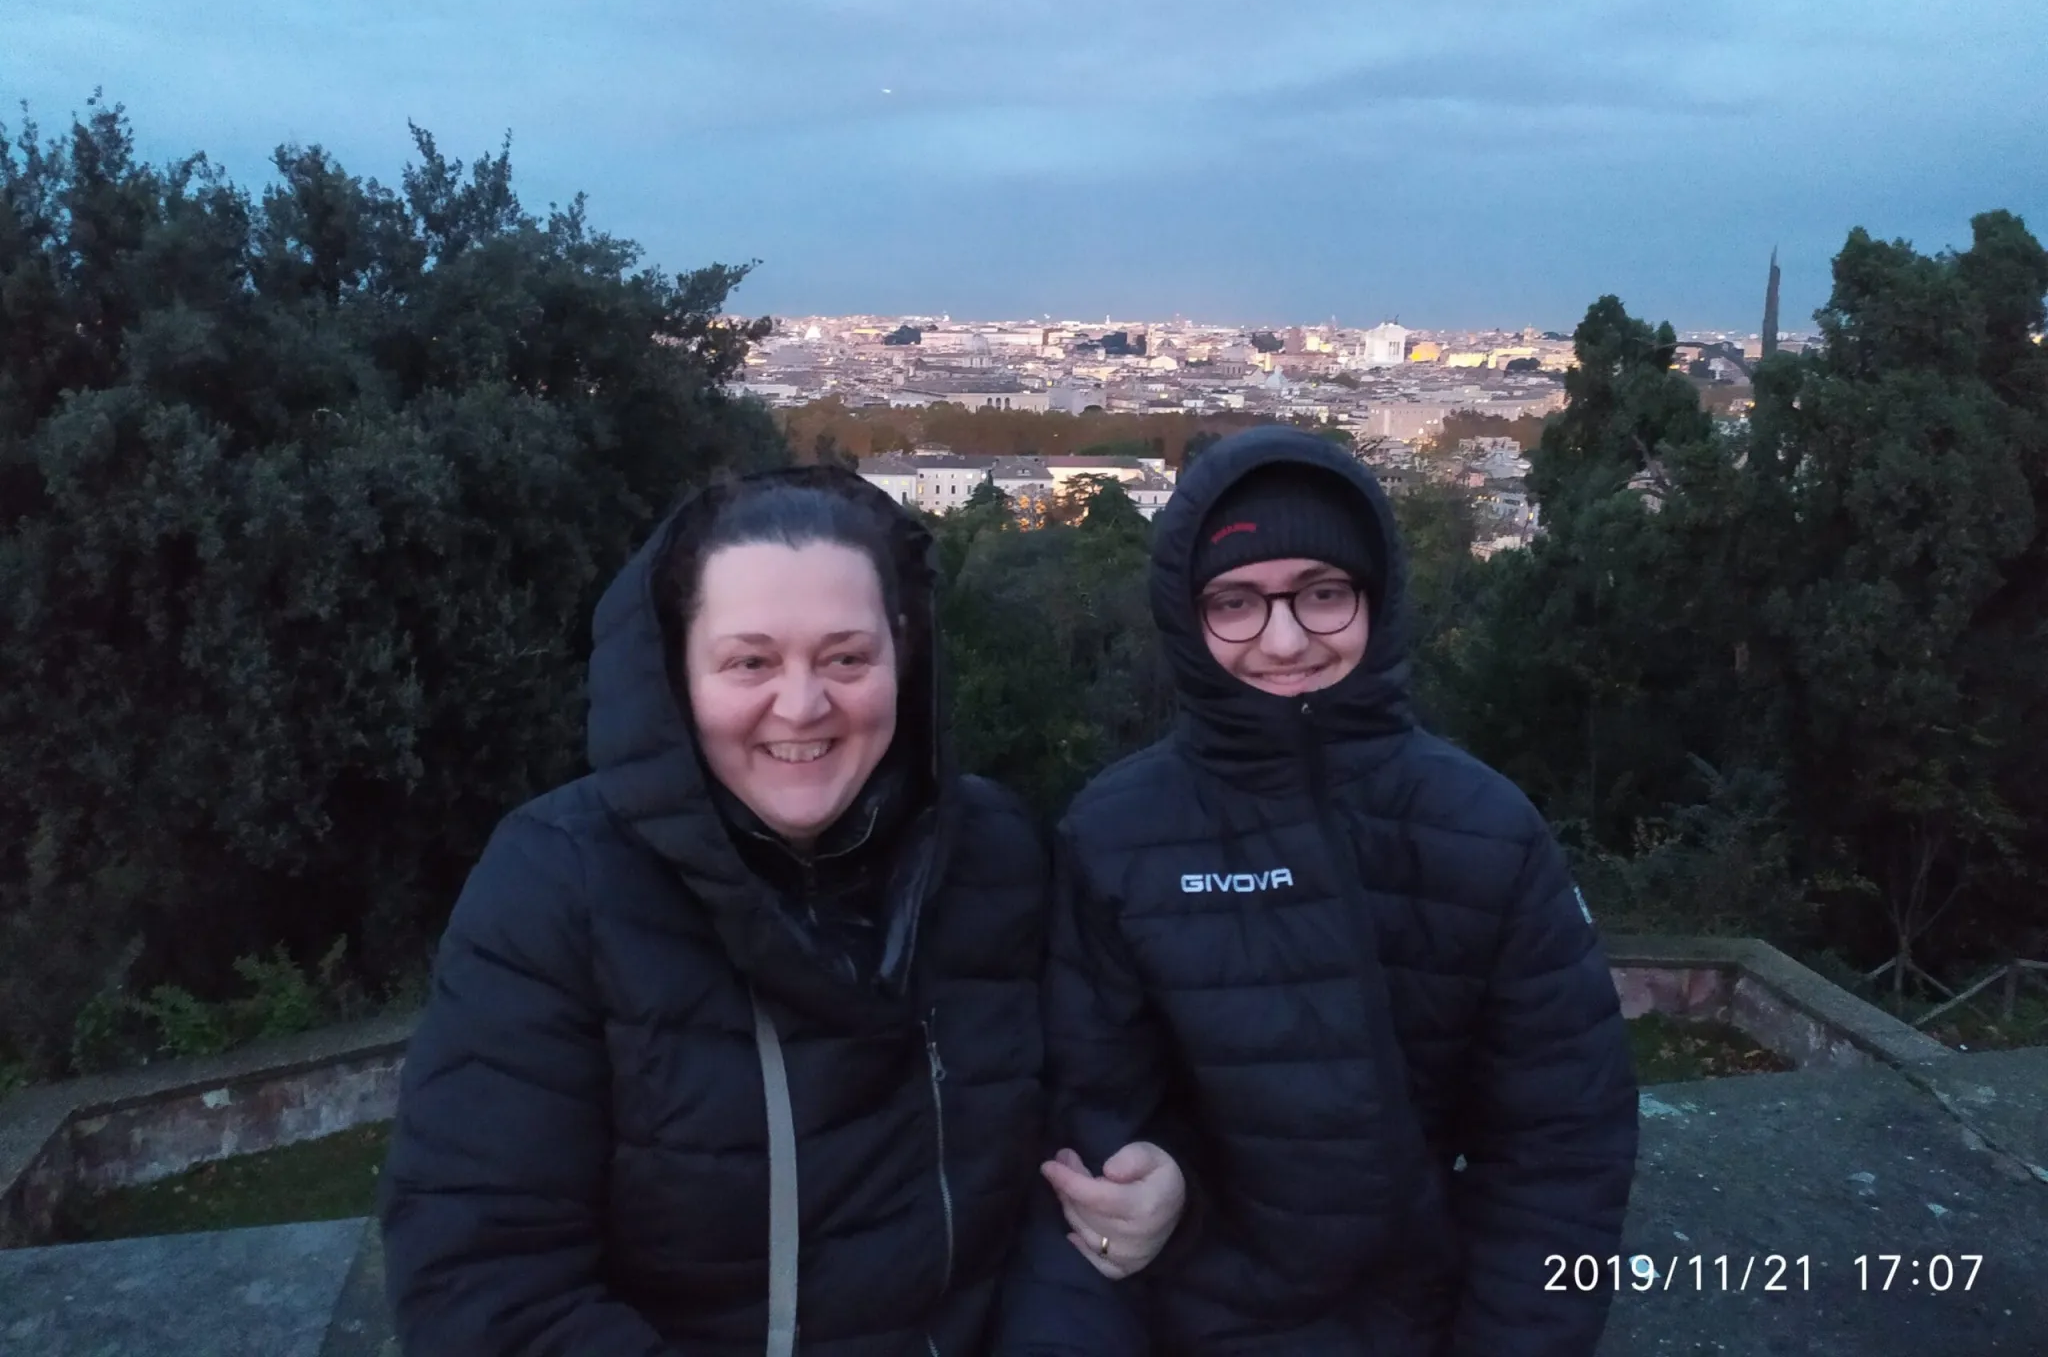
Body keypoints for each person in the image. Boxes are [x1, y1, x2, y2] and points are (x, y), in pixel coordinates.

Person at [380, 465, 1170, 1355]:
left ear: (903, 654)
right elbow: (486, 1289)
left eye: (845, 657)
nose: (802, 705)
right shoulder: (556, 887)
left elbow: (1074, 1166)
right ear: (677, 670)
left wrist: (1158, 1185)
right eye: (751, 661)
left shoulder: (999, 855)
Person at [1001, 426, 1639, 1356]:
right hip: (1199, 1316)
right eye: (1237, 603)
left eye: (1323, 594)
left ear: (1376, 600)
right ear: (1187, 618)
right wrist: (1166, 1178)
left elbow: (1559, 1149)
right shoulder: (1115, 833)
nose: (1287, 640)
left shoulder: (1486, 829)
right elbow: (1092, 1126)